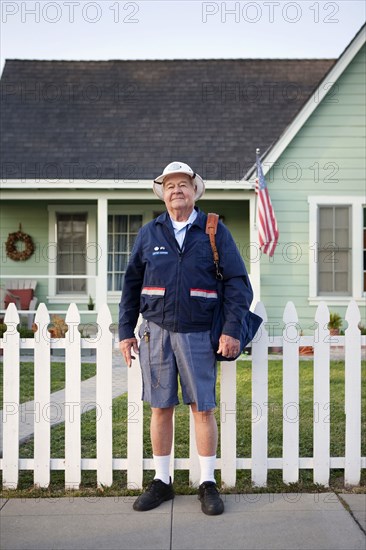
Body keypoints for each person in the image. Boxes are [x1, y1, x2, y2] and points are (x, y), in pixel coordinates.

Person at [119, 161, 256, 515]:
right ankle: (162, 481)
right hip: (156, 332)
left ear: (195, 191)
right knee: (160, 406)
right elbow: (131, 284)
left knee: (202, 407)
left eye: (183, 184)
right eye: (169, 185)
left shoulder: (214, 231)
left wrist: (230, 329)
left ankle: (207, 482)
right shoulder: (150, 233)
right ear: (162, 193)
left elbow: (239, 284)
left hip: (199, 332)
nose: (176, 190)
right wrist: (124, 332)